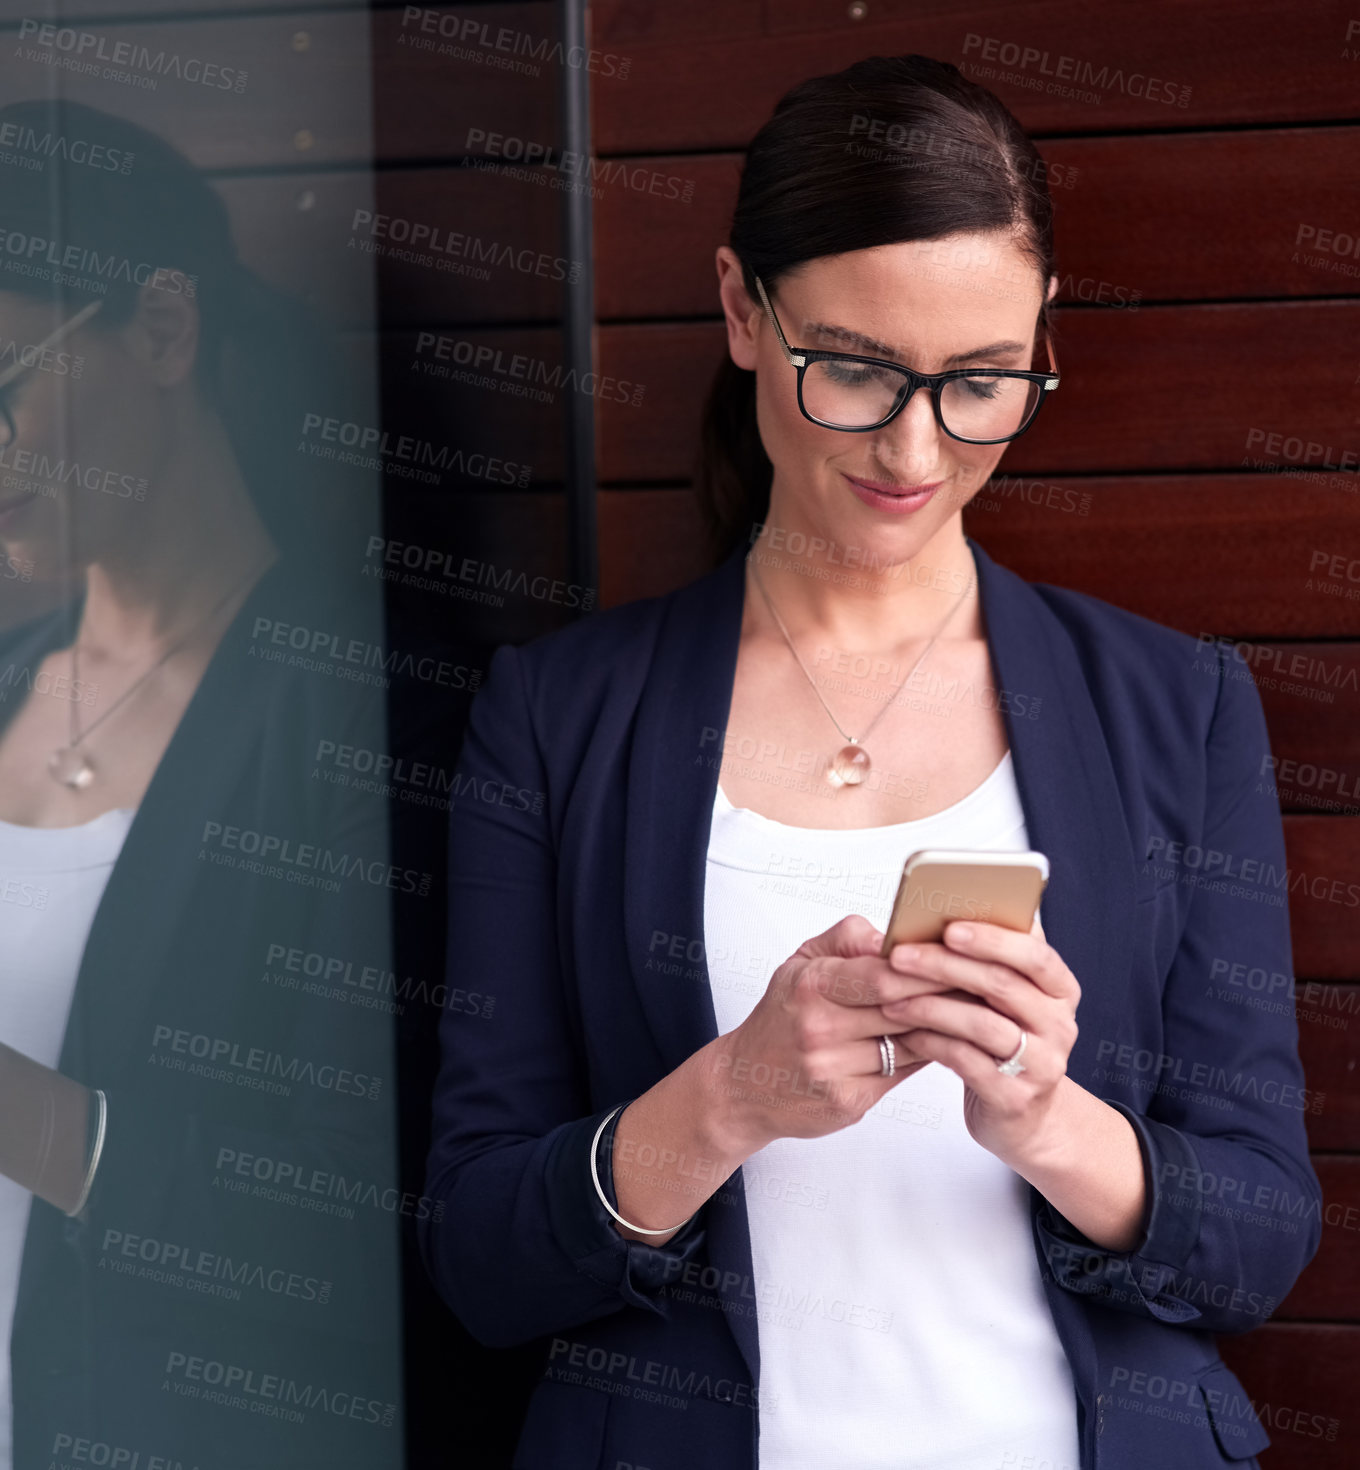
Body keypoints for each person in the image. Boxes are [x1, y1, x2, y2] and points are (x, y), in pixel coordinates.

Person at [420, 55, 1321, 1470]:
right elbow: (481, 1253)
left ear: (1041, 339)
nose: (916, 448)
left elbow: (1261, 1237)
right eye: (853, 370)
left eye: (980, 383)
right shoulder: (555, 716)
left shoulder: (1174, 704)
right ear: (739, 308)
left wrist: (1046, 1116)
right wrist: (729, 1097)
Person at [0, 99, 404, 1466]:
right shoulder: (6, 676)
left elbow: (359, 1233)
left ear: (163, 329)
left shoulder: (345, 704)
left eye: (0, 385)